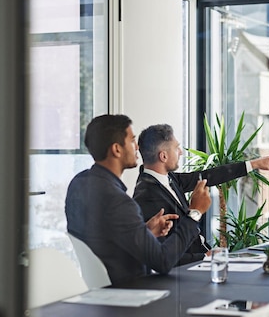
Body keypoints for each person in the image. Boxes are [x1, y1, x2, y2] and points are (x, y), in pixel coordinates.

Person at [65, 114, 204, 285]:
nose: (137, 147)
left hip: (103, 293)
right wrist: (195, 213)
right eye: (132, 141)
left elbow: (104, 242)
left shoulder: (79, 184)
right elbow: (163, 261)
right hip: (133, 292)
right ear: (117, 149)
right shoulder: (118, 201)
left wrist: (145, 232)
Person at [133, 123, 269, 263]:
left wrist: (255, 164)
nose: (180, 152)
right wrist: (204, 258)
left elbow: (208, 176)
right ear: (163, 156)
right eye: (176, 148)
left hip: (206, 258)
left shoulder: (168, 178)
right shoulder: (146, 195)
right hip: (189, 272)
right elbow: (162, 255)